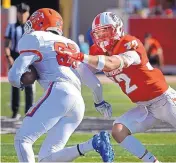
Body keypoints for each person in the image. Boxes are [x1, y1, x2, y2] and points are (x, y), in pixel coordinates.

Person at [61, 12, 176, 162]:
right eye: (99, 33)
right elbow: (84, 70)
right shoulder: (97, 51)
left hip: (164, 100)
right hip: (144, 108)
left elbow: (113, 62)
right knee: (119, 130)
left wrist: (82, 57)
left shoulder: (129, 43)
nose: (102, 37)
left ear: (117, 29)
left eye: (106, 31)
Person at [8, 8, 114, 162]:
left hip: (59, 92)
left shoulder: (35, 38)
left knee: (22, 140)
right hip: (77, 103)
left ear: (40, 23)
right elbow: (94, 82)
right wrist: (100, 101)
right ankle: (93, 144)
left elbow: (14, 75)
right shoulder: (71, 44)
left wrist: (21, 81)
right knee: (47, 158)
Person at [4, 3, 34, 119]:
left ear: (28, 13)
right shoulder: (11, 27)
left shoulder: (32, 28)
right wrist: (9, 57)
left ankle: (28, 112)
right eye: (20, 12)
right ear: (17, 13)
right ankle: (15, 111)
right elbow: (6, 44)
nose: (22, 15)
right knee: (15, 85)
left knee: (29, 86)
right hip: (16, 56)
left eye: (24, 12)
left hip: (27, 58)